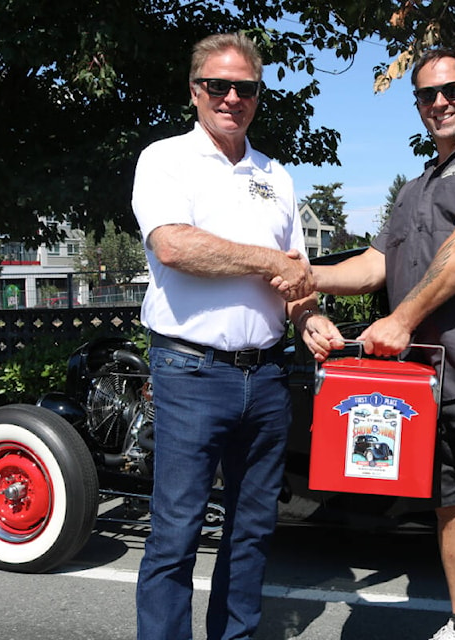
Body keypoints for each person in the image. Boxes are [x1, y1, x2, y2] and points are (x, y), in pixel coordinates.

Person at [292, 47, 455, 640]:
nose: (440, 102)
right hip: (424, 381)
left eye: (452, 90)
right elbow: (374, 264)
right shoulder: (414, 188)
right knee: (451, 508)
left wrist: (402, 319)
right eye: (427, 95)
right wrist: (308, 276)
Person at [131, 32, 320, 640]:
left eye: (245, 87)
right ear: (195, 91)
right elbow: (174, 245)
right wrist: (272, 262)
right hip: (191, 371)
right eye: (218, 85)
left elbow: (292, 279)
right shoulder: (165, 159)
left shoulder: (277, 175)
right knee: (177, 533)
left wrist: (307, 315)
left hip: (266, 374)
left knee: (252, 530)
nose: (232, 97)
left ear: (259, 95)